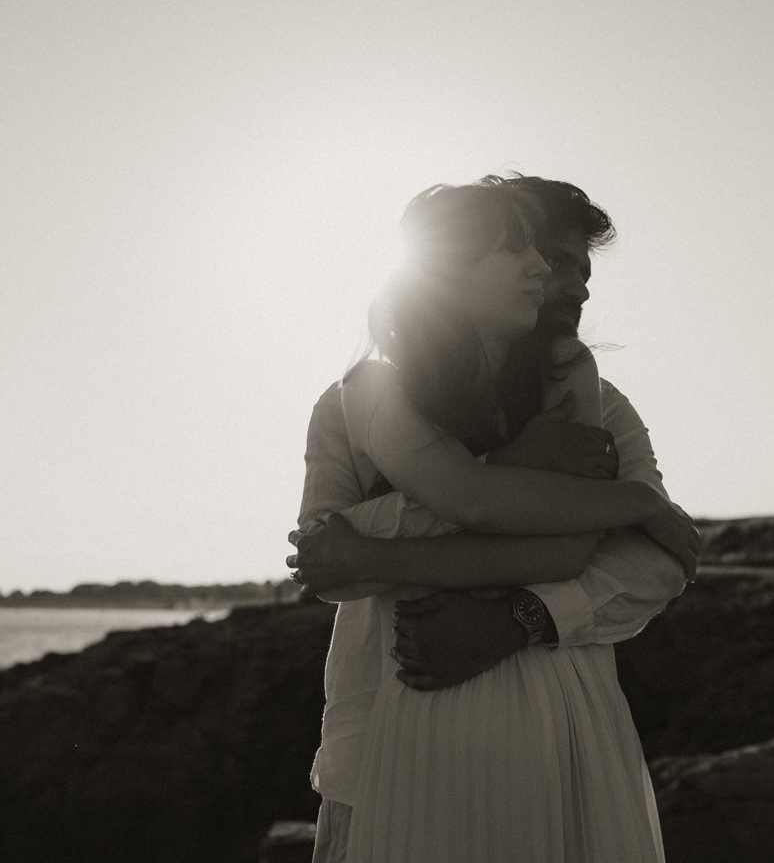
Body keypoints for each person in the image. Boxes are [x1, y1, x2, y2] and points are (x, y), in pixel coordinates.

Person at [290, 177, 697, 863]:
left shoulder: (602, 405)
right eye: (552, 258)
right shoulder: (356, 401)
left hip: (559, 737)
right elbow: (327, 561)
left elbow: (655, 562)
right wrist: (511, 468)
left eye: (582, 270)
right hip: (378, 738)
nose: (572, 285)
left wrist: (519, 620)